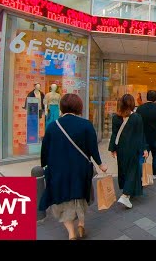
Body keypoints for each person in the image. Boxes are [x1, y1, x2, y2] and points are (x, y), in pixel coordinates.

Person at [39, 93, 106, 240]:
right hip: (80, 169)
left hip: (59, 170)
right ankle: (81, 223)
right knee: (81, 195)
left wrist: (44, 164)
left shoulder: (52, 126)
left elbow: (45, 151)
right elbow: (93, 149)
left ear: (62, 107)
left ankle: (71, 233)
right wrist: (101, 165)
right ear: (79, 107)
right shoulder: (86, 125)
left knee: (63, 200)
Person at [108, 94, 148, 209]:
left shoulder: (116, 117)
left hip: (121, 148)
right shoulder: (137, 117)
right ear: (131, 103)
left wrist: (113, 148)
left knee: (123, 170)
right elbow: (140, 135)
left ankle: (128, 192)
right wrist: (144, 148)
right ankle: (125, 195)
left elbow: (114, 134)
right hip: (133, 148)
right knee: (133, 171)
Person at [136, 90, 156, 179]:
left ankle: (140, 175)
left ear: (147, 98)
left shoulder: (140, 108)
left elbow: (137, 121)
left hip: (143, 137)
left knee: (142, 157)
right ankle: (155, 174)